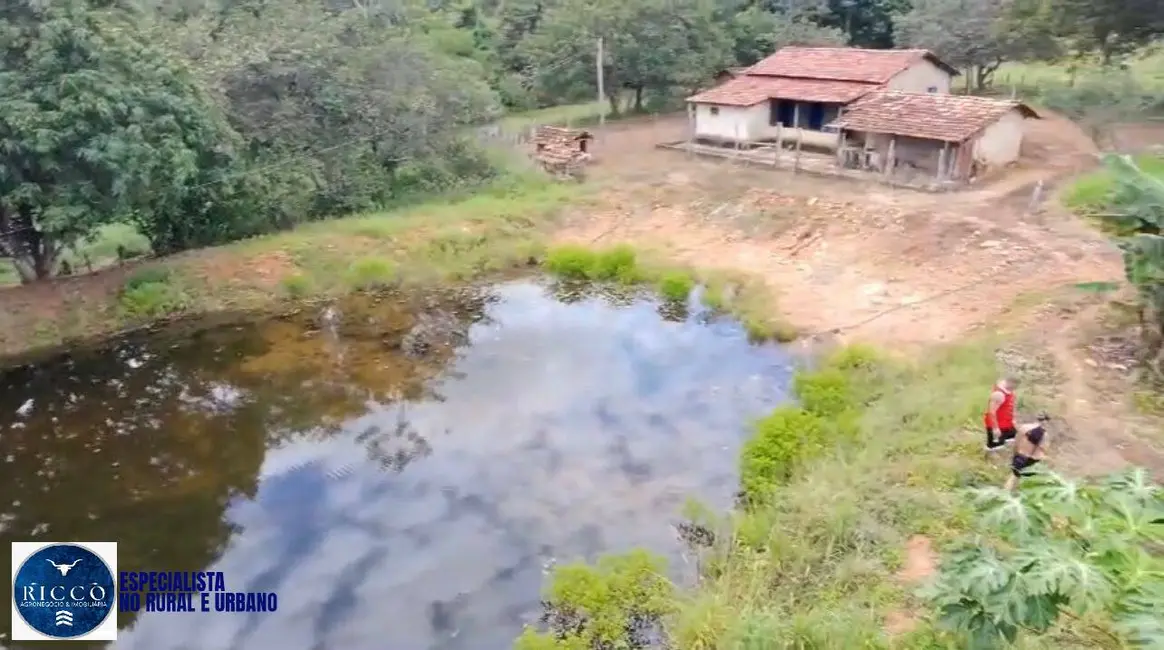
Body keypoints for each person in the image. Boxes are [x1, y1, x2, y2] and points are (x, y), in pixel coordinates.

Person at [1005, 412, 1051, 490]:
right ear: (1046, 421)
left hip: (1020, 455)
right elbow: (1044, 450)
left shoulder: (1025, 427)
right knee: (1024, 481)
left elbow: (1017, 441)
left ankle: (1005, 495)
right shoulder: (1045, 435)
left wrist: (1015, 453)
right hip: (1032, 460)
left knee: (1013, 477)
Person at [984, 377, 1020, 452]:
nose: (1015, 389)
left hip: (1007, 423)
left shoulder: (1009, 392)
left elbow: (1009, 407)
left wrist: (1013, 419)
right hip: (998, 425)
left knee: (1013, 437)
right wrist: (995, 428)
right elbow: (991, 412)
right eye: (1014, 386)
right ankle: (990, 457)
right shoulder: (999, 395)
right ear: (1010, 383)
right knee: (995, 447)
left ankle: (1004, 446)